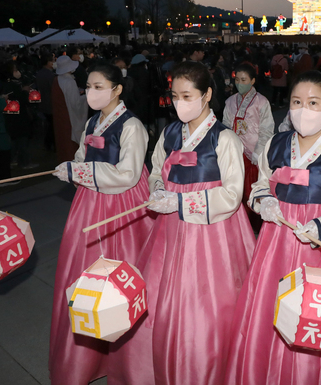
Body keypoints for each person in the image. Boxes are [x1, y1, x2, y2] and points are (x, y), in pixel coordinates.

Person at [224, 70, 321, 385]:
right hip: (279, 243)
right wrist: (264, 201)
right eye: (297, 101)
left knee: (320, 317)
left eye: (313, 103)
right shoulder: (275, 144)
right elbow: (259, 186)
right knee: (273, 309)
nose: (302, 110)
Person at [108, 61, 256, 385]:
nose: (179, 103)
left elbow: (232, 194)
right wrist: (159, 189)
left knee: (206, 304)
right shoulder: (171, 131)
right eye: (174, 96)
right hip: (170, 229)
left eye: (187, 95)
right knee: (160, 294)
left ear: (206, 95)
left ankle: (204, 364)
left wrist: (181, 201)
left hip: (212, 232)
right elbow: (157, 165)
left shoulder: (225, 138)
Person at [49, 64, 154, 385]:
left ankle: (130, 358)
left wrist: (81, 173)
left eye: (98, 86)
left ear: (117, 88)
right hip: (89, 203)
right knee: (84, 275)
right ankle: (86, 358)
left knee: (122, 276)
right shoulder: (93, 121)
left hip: (122, 205)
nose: (91, 92)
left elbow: (128, 174)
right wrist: (73, 167)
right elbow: (83, 155)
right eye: (88, 86)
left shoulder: (132, 125)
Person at [223, 63, 274, 232]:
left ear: (252, 81)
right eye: (237, 79)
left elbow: (266, 129)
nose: (239, 83)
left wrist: (258, 153)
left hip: (253, 154)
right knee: (234, 190)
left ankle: (253, 228)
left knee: (251, 191)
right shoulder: (230, 101)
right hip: (234, 152)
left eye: (243, 79)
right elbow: (225, 126)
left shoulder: (261, 102)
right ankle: (237, 227)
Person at [0, 61, 37, 169]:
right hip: (19, 117)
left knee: (15, 140)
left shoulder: (4, 85)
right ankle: (24, 162)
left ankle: (13, 160)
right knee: (22, 140)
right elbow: (23, 100)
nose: (17, 72)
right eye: (15, 70)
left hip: (11, 117)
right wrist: (25, 92)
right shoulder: (13, 86)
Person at [52, 55, 88, 163]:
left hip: (60, 114)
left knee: (62, 139)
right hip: (69, 115)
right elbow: (75, 103)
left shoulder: (57, 80)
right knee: (70, 141)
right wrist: (87, 96)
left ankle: (64, 160)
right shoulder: (69, 81)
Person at [35, 53, 56, 151]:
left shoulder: (39, 73)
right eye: (52, 60)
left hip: (43, 103)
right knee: (52, 126)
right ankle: (50, 144)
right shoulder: (50, 75)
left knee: (50, 125)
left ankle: (48, 143)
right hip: (50, 103)